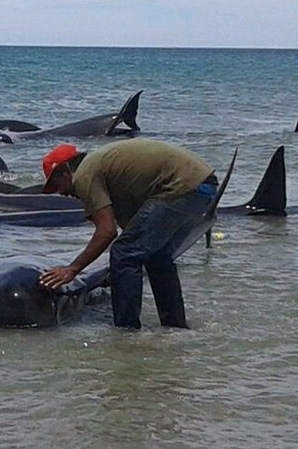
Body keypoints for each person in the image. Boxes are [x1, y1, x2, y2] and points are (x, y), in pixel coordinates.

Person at [38, 138, 218, 329]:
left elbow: (107, 232)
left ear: (66, 171)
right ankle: (174, 326)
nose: (61, 194)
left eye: (57, 185)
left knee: (124, 253)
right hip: (202, 185)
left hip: (182, 186)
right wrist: (117, 273)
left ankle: (126, 332)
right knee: (157, 256)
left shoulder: (84, 175)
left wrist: (72, 269)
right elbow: (133, 229)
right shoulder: (107, 170)